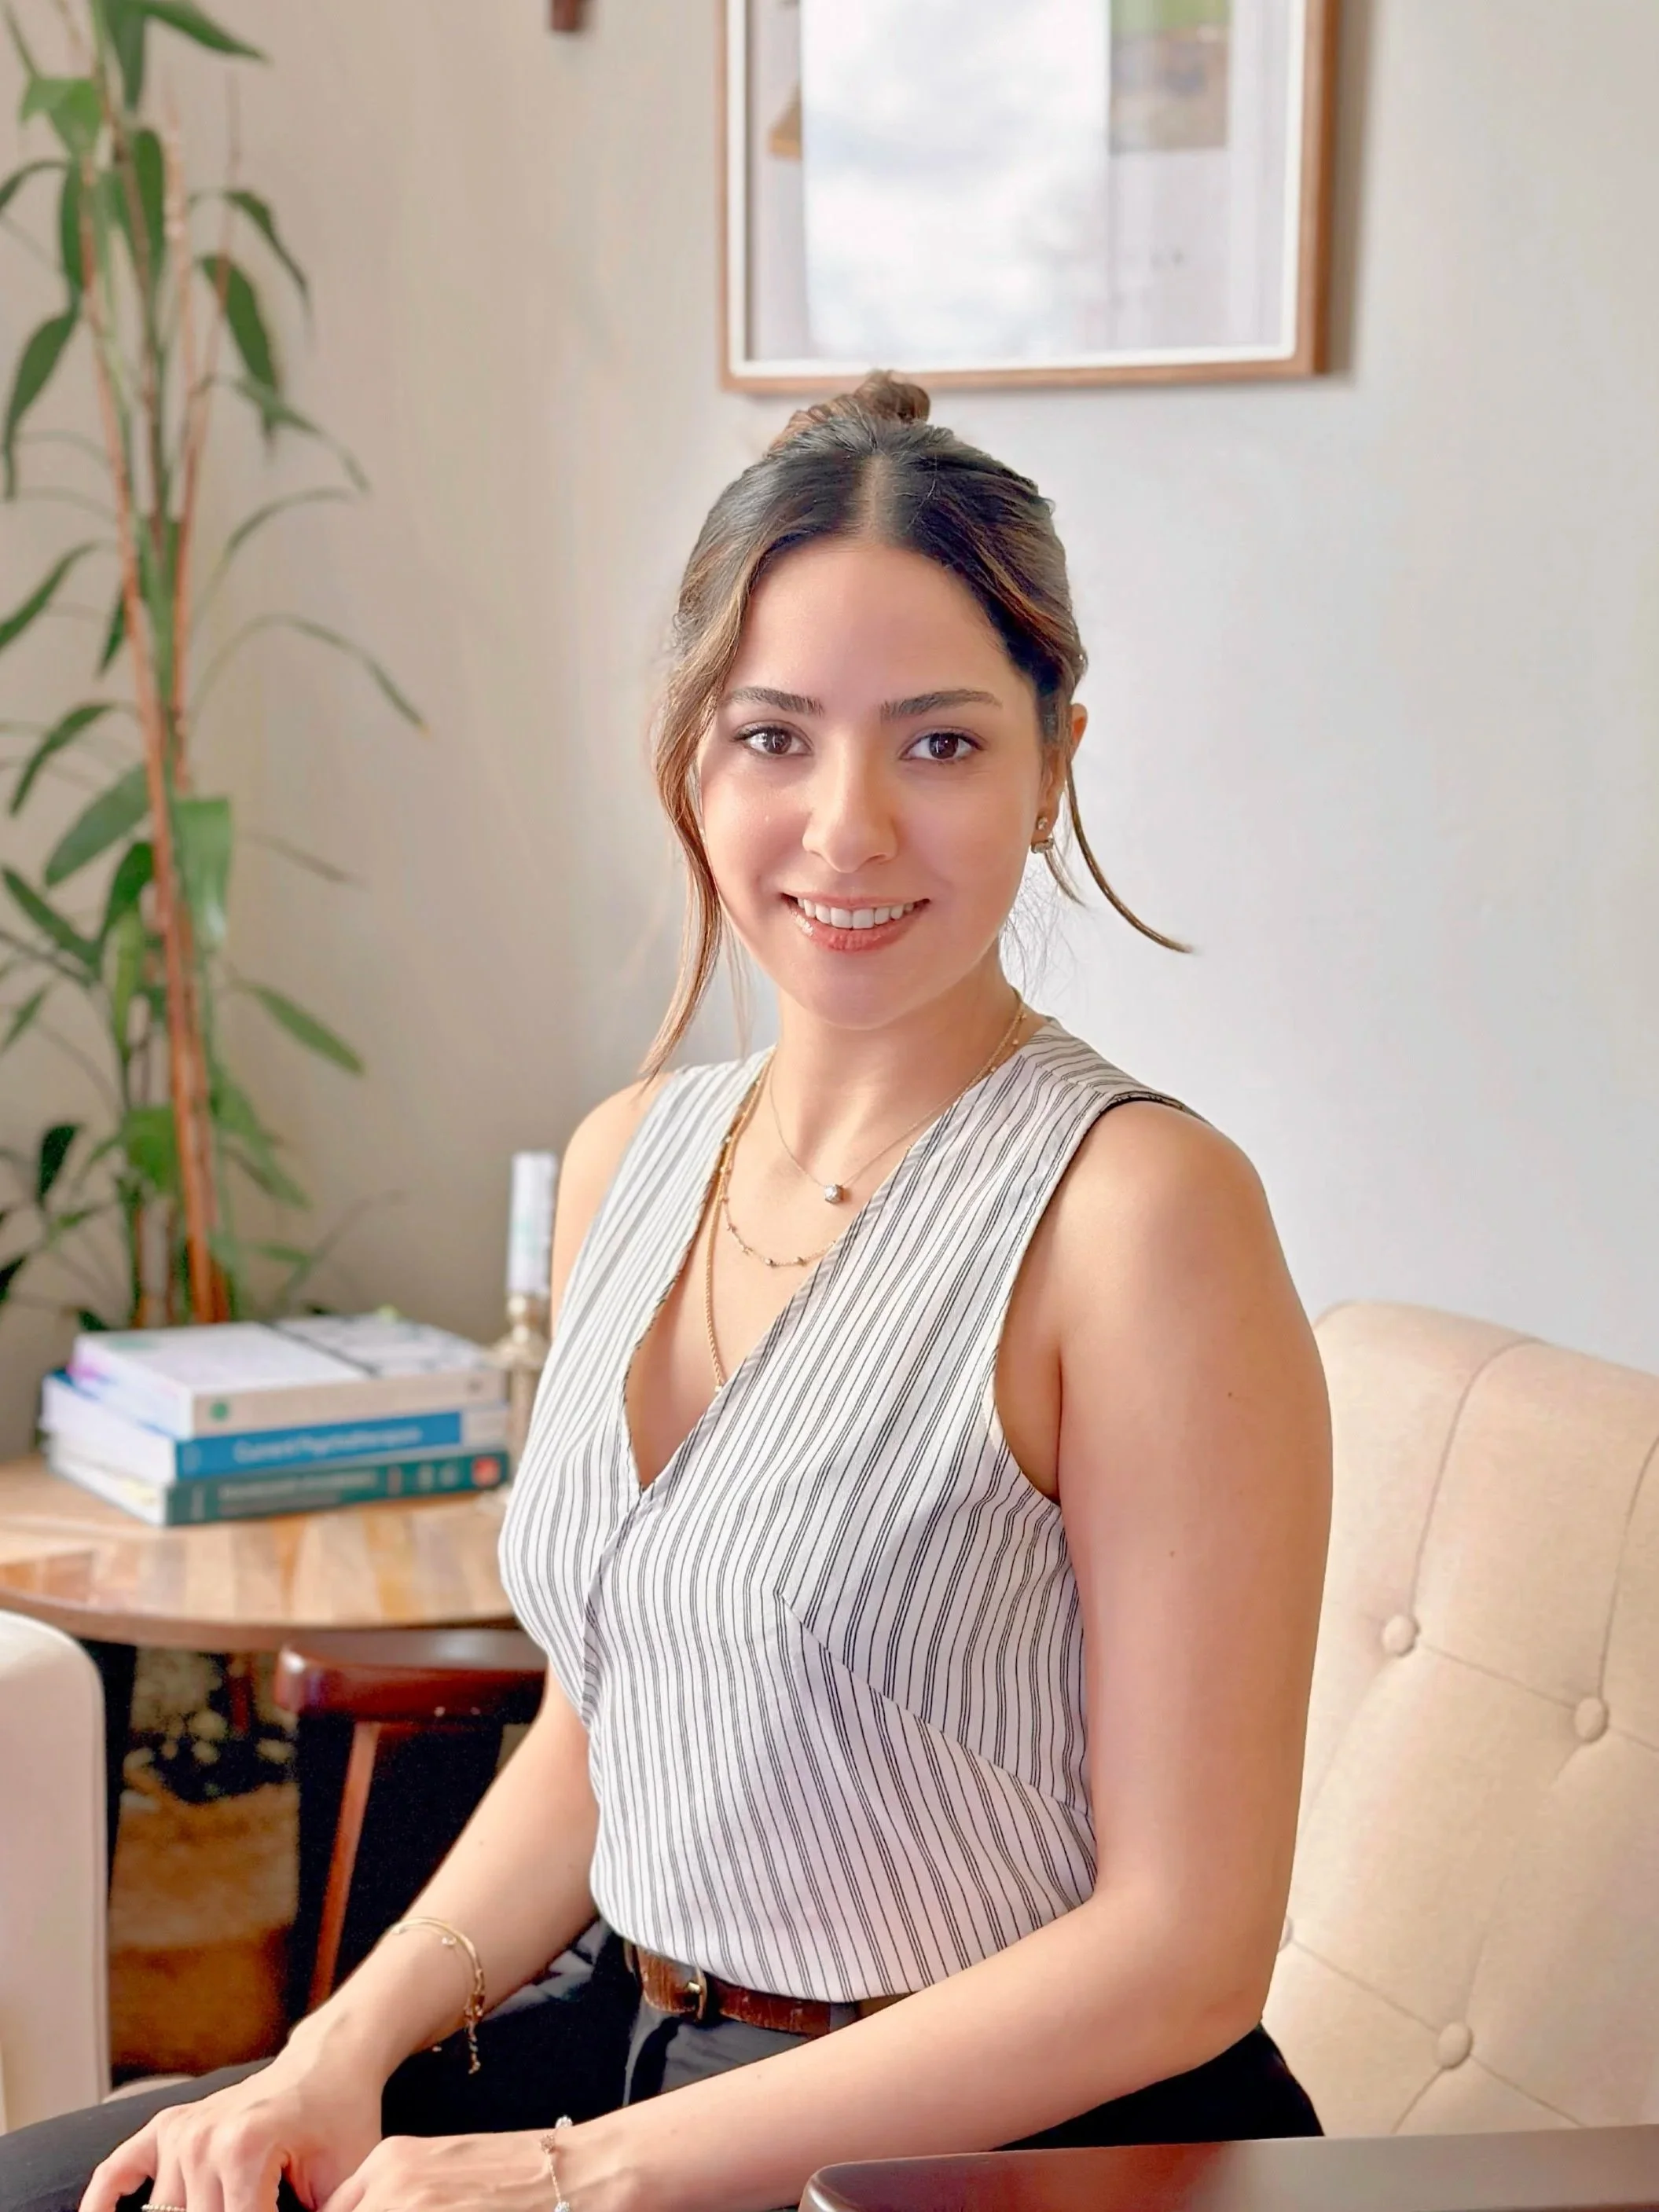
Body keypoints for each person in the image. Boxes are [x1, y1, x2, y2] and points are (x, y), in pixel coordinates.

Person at [2, 372, 1331, 2212]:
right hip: (619, 2051)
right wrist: (335, 2057)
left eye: (937, 744)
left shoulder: (1138, 1214)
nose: (846, 827)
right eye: (773, 737)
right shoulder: (632, 1154)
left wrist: (571, 2179)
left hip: (991, 2156)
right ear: (692, 759)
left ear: (1051, 768)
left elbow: (1187, 1950)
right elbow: (603, 1739)